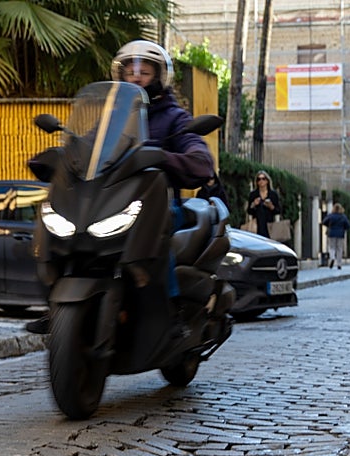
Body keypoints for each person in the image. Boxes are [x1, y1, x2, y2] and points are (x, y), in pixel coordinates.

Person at [26, 40, 213, 334]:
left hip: (158, 203)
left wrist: (170, 157)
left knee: (162, 232)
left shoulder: (175, 118)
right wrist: (62, 155)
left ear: (160, 76)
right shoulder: (110, 119)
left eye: (145, 71)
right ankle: (56, 307)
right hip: (112, 201)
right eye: (130, 71)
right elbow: (86, 147)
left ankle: (174, 311)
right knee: (59, 232)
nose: (136, 77)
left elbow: (197, 155)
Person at [246, 170, 281, 239]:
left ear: (267, 181)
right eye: (259, 179)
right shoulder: (253, 194)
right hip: (256, 225)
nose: (261, 181)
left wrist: (271, 207)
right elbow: (249, 211)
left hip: (269, 225)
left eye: (263, 179)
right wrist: (254, 205)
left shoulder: (273, 194)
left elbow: (278, 210)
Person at [321, 203, 350, 269]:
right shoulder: (343, 217)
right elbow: (348, 225)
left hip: (331, 233)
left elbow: (324, 221)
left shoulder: (331, 216)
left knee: (332, 247)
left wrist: (329, 225)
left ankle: (332, 258)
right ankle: (339, 264)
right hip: (340, 234)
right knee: (339, 249)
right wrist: (343, 228)